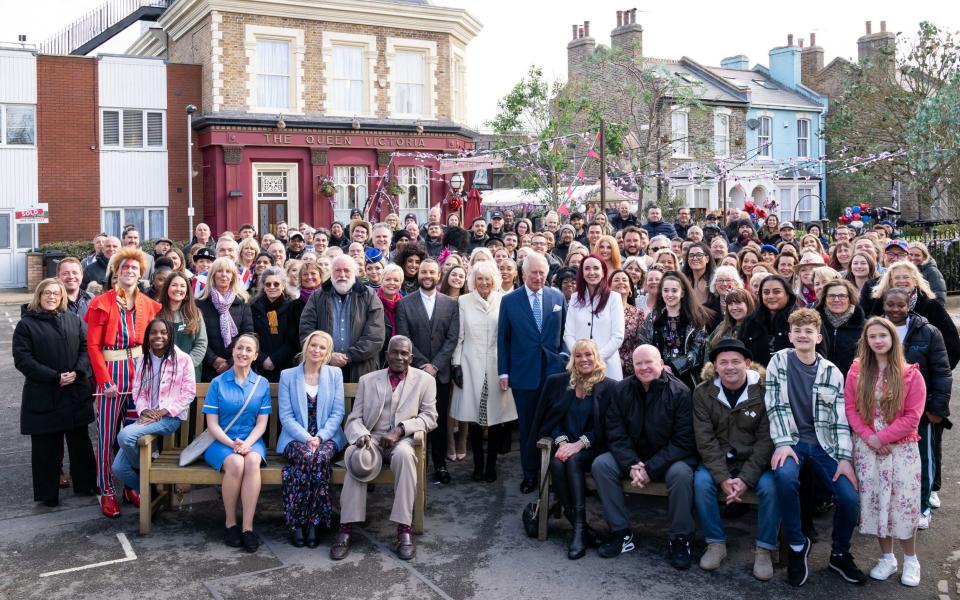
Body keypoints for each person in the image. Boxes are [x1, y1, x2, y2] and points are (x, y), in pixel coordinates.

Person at [766, 309, 865, 587]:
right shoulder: (778, 364)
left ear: (818, 337)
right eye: (797, 331)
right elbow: (775, 406)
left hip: (825, 445)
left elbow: (839, 420)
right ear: (790, 336)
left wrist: (844, 458)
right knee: (784, 479)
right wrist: (783, 443)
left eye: (808, 331)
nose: (802, 335)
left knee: (848, 497)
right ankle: (798, 545)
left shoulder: (831, 372)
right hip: (792, 441)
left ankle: (840, 552)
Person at [332, 336, 438, 561]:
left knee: (405, 456)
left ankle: (403, 530)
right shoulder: (368, 380)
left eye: (404, 353)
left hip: (404, 439)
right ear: (386, 354)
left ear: (411, 357)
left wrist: (400, 430)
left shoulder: (425, 380)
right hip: (373, 439)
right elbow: (354, 418)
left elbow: (430, 417)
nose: (399, 357)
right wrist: (361, 435)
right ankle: (345, 529)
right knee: (356, 457)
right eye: (394, 352)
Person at [591, 345, 697, 568]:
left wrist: (650, 468)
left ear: (661, 363)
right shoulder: (622, 390)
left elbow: (683, 441)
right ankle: (621, 533)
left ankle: (680, 538)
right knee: (602, 464)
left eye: (649, 362)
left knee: (682, 474)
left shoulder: (680, 392)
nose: (644, 367)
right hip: (633, 458)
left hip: (668, 459)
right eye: (638, 363)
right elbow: (615, 432)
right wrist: (632, 464)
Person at [839, 317, 924, 586]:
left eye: (882, 336)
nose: (878, 340)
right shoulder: (856, 371)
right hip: (868, 448)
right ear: (866, 340)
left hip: (901, 448)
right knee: (876, 503)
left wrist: (883, 437)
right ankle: (887, 557)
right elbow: (850, 408)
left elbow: (912, 416)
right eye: (872, 336)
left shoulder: (911, 373)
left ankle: (911, 559)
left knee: (903, 504)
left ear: (892, 339)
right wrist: (869, 438)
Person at [84, 248, 161, 518]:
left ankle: (130, 486)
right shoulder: (101, 303)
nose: (129, 272)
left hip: (139, 373)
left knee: (134, 436)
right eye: (124, 268)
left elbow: (153, 343)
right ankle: (106, 490)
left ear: (141, 275)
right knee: (106, 437)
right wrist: (104, 381)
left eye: (134, 269)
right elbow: (93, 346)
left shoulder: (147, 303)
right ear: (116, 273)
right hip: (112, 375)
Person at [692, 339, 777, 580]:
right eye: (724, 362)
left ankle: (764, 549)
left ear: (747, 364)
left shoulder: (763, 392)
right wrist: (722, 478)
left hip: (753, 461)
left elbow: (765, 442)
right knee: (701, 482)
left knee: (771, 487)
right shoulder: (702, 393)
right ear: (715, 366)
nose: (730, 367)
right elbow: (705, 440)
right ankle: (715, 543)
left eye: (736, 362)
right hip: (719, 461)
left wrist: (745, 479)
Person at [14, 279, 96, 507]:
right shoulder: (26, 325)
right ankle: (48, 494)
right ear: (39, 296)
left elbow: (85, 348)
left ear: (62, 298)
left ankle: (86, 483)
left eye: (56, 294)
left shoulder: (74, 320)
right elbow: (23, 359)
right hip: (44, 393)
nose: (51, 297)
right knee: (46, 447)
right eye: (47, 293)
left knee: (80, 442)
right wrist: (54, 376)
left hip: (74, 391)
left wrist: (78, 372)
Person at [533, 339, 616, 559]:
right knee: (559, 462)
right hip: (564, 446)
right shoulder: (561, 383)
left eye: (588, 354)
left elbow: (608, 427)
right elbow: (552, 418)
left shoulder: (609, 387)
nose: (583, 359)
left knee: (571, 460)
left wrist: (579, 444)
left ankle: (579, 531)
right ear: (572, 359)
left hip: (593, 448)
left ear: (596, 356)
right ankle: (581, 529)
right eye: (578, 355)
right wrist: (562, 442)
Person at [882, 288, 952, 529]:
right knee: (892, 460)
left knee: (923, 458)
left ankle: (923, 506)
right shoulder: (876, 331)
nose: (895, 310)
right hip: (885, 409)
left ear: (909, 305)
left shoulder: (928, 332)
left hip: (920, 409)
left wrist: (938, 408)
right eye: (890, 304)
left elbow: (942, 372)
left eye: (900, 305)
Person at [498, 252, 568, 493]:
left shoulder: (557, 296)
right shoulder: (509, 301)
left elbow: (565, 333)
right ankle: (530, 474)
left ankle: (553, 473)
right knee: (528, 426)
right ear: (524, 274)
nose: (538, 277)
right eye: (534, 273)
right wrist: (503, 372)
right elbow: (503, 339)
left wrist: (565, 357)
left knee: (554, 424)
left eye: (542, 273)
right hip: (523, 374)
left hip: (554, 373)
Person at [111, 319, 195, 499]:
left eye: (164, 332)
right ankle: (151, 493)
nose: (159, 336)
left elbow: (189, 393)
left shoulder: (182, 359)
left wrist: (164, 411)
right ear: (148, 336)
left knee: (125, 436)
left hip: (170, 418)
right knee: (118, 468)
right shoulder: (143, 359)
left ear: (170, 335)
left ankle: (151, 468)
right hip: (148, 417)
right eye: (154, 332)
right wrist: (143, 410)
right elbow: (138, 391)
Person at [277, 330, 347, 548]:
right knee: (310, 457)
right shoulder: (288, 376)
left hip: (327, 437)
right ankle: (309, 522)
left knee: (316, 459)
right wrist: (307, 438)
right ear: (306, 348)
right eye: (313, 345)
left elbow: (338, 412)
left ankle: (303, 522)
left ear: (327, 353)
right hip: (295, 437)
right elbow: (286, 416)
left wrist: (321, 437)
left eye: (322, 347)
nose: (316, 350)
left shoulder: (335, 374)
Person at [203, 333, 271, 553]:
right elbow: (212, 424)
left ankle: (248, 528)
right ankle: (230, 523)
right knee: (236, 463)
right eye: (239, 348)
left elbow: (262, 423)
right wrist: (233, 444)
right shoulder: (218, 382)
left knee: (251, 462)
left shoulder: (261, 384)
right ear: (232, 351)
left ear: (255, 356)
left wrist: (247, 443)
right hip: (221, 441)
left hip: (251, 440)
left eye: (248, 350)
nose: (243, 353)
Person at [395, 258, 460, 485]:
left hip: (440, 373)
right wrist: (424, 365)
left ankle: (439, 464)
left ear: (438, 275)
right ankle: (416, 464)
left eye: (432, 272)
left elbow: (452, 339)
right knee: (413, 420)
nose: (427, 276)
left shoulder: (451, 304)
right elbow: (404, 338)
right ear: (418, 274)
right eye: (424, 272)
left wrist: (436, 365)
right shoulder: (405, 304)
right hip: (414, 372)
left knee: (438, 422)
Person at [451, 260, 516, 483]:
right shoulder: (463, 301)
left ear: (495, 280)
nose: (484, 282)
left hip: (498, 364)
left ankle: (491, 466)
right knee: (475, 418)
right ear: (473, 281)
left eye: (488, 279)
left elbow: (508, 335)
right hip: (470, 362)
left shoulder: (504, 300)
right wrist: (456, 364)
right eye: (480, 278)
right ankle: (477, 465)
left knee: (496, 417)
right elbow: (459, 335)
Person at [299, 254, 386, 383]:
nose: (342, 275)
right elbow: (306, 330)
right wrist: (328, 356)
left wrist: (349, 356)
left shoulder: (369, 296)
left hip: (362, 369)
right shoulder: (317, 297)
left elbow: (375, 335)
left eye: (346, 270)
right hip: (324, 368)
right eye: (337, 270)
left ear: (355, 273)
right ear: (331, 273)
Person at [865, 260, 960, 367]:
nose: (901, 281)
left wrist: (937, 372)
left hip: (922, 374)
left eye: (906, 277)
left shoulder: (931, 306)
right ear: (891, 281)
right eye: (897, 277)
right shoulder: (879, 304)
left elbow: (951, 342)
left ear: (915, 280)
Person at [637, 271, 711, 390]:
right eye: (666, 290)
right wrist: (658, 366)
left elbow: (697, 351)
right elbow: (643, 345)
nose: (669, 294)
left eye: (674, 290)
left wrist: (673, 367)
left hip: (688, 380)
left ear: (682, 293)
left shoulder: (695, 318)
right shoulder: (652, 318)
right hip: (656, 376)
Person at [563, 255, 625, 381]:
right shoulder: (575, 298)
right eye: (587, 268)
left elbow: (617, 336)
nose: (591, 272)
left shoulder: (614, 298)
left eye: (596, 268)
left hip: (607, 367)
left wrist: (595, 359)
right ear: (582, 273)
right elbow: (568, 335)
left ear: (603, 272)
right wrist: (581, 358)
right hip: (580, 368)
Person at [197, 258, 254, 382]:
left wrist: (230, 362)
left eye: (228, 271)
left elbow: (248, 334)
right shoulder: (200, 303)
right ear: (212, 275)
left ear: (233, 276)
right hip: (209, 368)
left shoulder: (243, 302)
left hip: (237, 366)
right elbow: (197, 337)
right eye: (219, 271)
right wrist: (213, 359)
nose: (224, 275)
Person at [250, 267, 299, 383]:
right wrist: (262, 359)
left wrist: (274, 359)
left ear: (283, 286)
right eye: (268, 284)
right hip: (260, 365)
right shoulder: (253, 307)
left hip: (286, 365)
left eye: (276, 284)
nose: (272, 287)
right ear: (263, 287)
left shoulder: (293, 307)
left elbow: (293, 338)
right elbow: (250, 334)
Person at [157, 272, 208, 383]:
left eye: (182, 286)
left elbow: (201, 344)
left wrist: (185, 365)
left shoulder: (195, 314)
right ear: (167, 288)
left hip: (188, 373)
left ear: (187, 292)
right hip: (162, 372)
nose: (178, 289)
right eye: (174, 285)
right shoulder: (156, 313)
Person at [738, 275, 798, 366]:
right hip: (758, 377)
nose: (770, 296)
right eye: (766, 292)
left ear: (788, 294)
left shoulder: (800, 321)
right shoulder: (750, 322)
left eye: (776, 292)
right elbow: (741, 353)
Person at [816, 279, 865, 377]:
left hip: (853, 381)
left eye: (842, 296)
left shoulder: (864, 327)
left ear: (850, 298)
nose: (837, 300)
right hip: (819, 380)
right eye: (832, 296)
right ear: (825, 298)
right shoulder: (814, 324)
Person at [705, 288, 754, 353]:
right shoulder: (722, 326)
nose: (734, 308)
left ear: (748, 304)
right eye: (730, 304)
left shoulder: (755, 328)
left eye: (738, 303)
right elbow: (708, 346)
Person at [377, 264, 405, 366]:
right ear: (381, 281)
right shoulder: (372, 303)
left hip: (400, 359)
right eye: (388, 279)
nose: (392, 283)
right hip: (378, 359)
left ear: (401, 283)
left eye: (396, 280)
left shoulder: (406, 305)